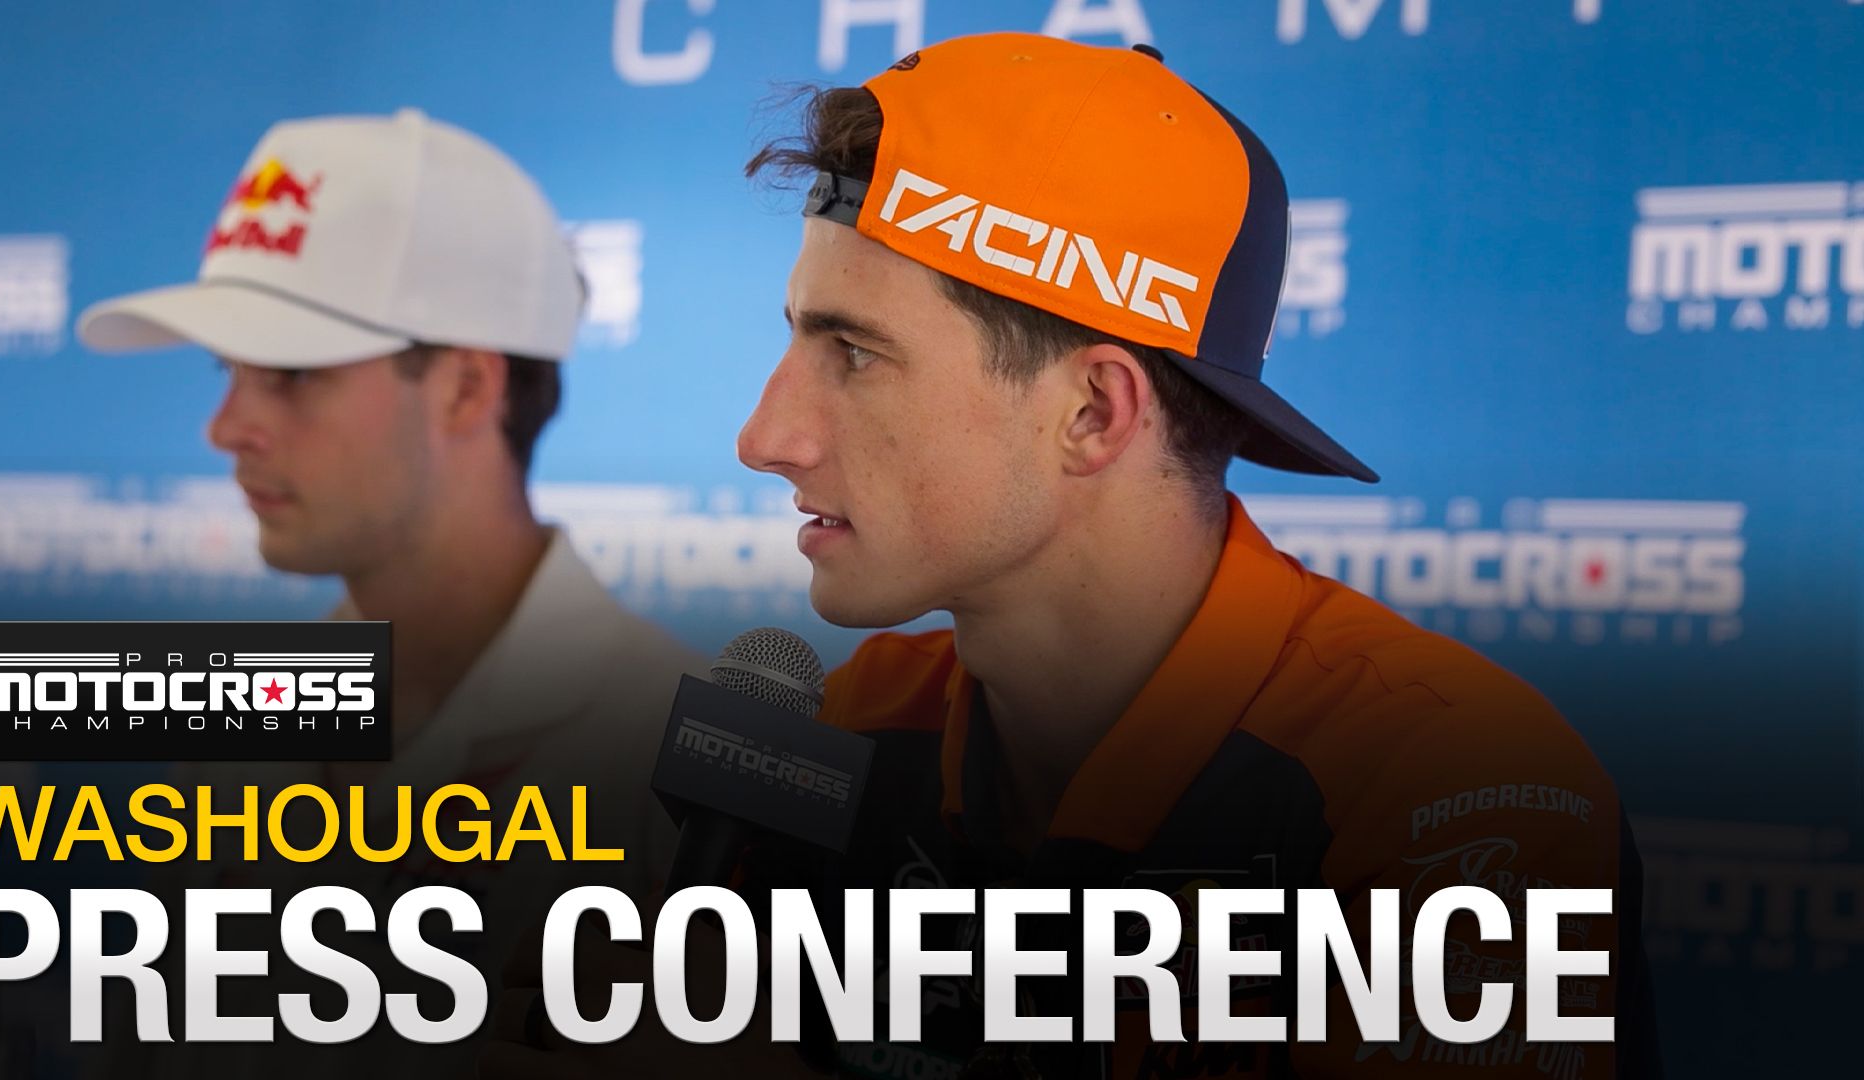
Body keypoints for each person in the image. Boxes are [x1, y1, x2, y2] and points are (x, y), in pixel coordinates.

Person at [481, 32, 1657, 1080]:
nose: (764, 437)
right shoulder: (844, 731)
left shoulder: (1456, 786)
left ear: (1094, 413)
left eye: (856, 353)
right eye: (796, 338)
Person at [74, 109, 703, 1079]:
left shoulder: (684, 767)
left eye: (291, 372)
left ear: (467, 389)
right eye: (228, 369)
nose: (225, 427)